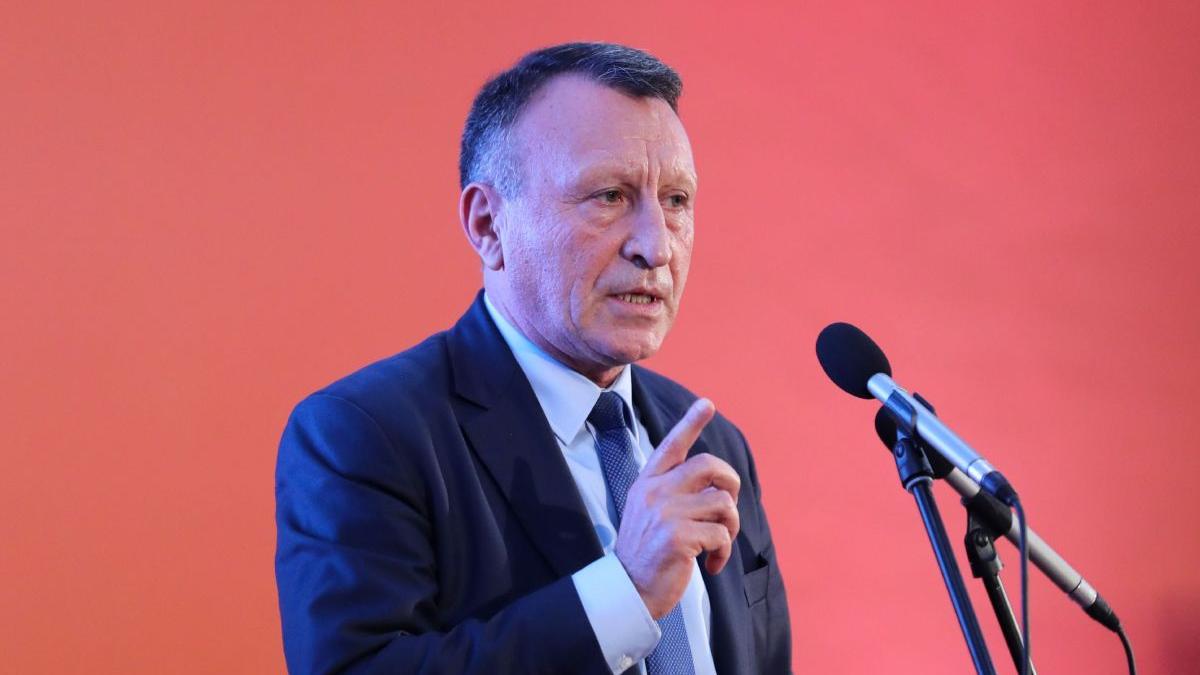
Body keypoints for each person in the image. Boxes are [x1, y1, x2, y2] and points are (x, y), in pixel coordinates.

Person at [275, 42, 792, 675]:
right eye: (610, 195)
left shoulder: (714, 445)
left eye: (677, 200)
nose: (656, 246)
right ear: (488, 225)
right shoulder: (365, 434)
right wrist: (624, 593)